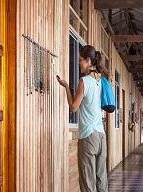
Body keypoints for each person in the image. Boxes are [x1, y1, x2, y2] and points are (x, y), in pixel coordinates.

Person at [57, 45, 108, 192]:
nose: (79, 63)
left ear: (88, 60)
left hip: (88, 136)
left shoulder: (84, 81)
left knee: (87, 184)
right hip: (101, 136)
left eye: (80, 60)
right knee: (101, 182)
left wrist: (66, 87)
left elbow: (73, 107)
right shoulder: (100, 80)